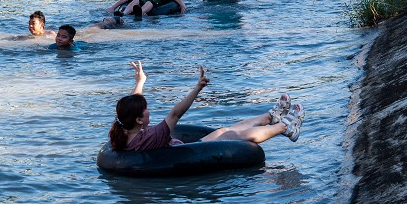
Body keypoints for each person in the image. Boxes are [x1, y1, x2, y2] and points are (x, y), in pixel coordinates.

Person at [109, 61, 305, 152]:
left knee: (222, 130)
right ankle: (285, 128)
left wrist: (141, 82)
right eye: (145, 109)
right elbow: (176, 113)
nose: (148, 110)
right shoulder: (150, 137)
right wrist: (198, 88)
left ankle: (270, 117)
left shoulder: (124, 130)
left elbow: (132, 106)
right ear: (139, 119)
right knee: (228, 136)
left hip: (181, 148)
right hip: (184, 155)